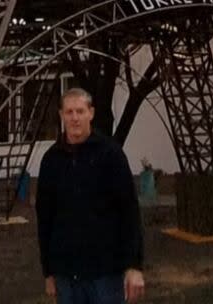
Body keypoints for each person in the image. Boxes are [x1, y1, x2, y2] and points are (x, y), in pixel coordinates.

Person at [36, 87, 146, 304]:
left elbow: (129, 211)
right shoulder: (51, 160)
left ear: (91, 113)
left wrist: (134, 266)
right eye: (69, 112)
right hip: (67, 276)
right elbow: (45, 218)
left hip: (106, 274)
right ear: (61, 115)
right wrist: (48, 272)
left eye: (80, 111)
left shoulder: (110, 155)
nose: (75, 118)